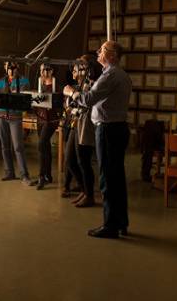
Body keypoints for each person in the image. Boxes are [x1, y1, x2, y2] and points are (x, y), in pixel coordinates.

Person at [64, 41, 131, 239]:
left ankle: (110, 226)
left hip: (108, 131)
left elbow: (87, 99)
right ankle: (120, 222)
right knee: (117, 180)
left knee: (108, 179)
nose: (98, 52)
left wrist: (71, 92)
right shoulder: (121, 75)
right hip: (117, 128)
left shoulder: (110, 74)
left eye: (101, 49)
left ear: (112, 55)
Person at [68, 54, 103, 208]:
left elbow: (87, 101)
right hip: (77, 123)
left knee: (84, 160)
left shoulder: (94, 82)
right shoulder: (83, 83)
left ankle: (89, 195)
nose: (77, 70)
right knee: (71, 159)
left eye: (81, 67)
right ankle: (84, 190)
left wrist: (71, 94)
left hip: (87, 125)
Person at [0, 60, 33, 185]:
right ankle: (9, 172)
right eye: (8, 67)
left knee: (18, 146)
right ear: (5, 67)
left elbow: (23, 98)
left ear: (17, 67)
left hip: (15, 116)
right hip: (1, 115)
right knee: (4, 145)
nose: (11, 69)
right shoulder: (0, 81)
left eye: (13, 67)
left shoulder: (24, 81)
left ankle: (24, 175)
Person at [33, 63, 59, 190]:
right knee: (45, 146)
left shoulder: (54, 85)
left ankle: (41, 176)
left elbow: (56, 103)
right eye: (41, 69)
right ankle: (48, 175)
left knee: (41, 144)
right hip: (40, 119)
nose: (43, 72)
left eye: (46, 69)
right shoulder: (40, 85)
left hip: (51, 120)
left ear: (51, 71)